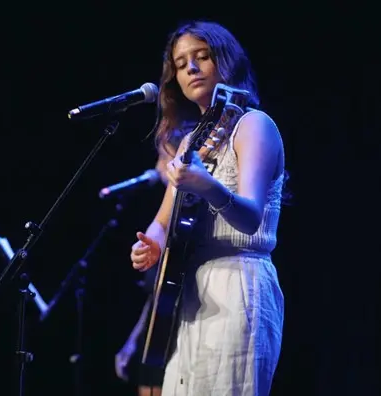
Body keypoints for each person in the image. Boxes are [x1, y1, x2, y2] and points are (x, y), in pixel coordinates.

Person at [130, 20, 285, 395]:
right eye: (182, 64)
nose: (192, 69)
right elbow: (162, 223)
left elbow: (249, 217)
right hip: (190, 294)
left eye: (202, 57)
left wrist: (209, 186)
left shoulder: (255, 126)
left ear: (226, 63)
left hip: (239, 285)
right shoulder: (188, 145)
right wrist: (150, 244)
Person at [115, 143, 177, 396]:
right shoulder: (160, 228)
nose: (157, 166)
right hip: (154, 341)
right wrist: (132, 342)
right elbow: (156, 299)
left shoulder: (184, 224)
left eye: (163, 157)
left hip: (175, 340)